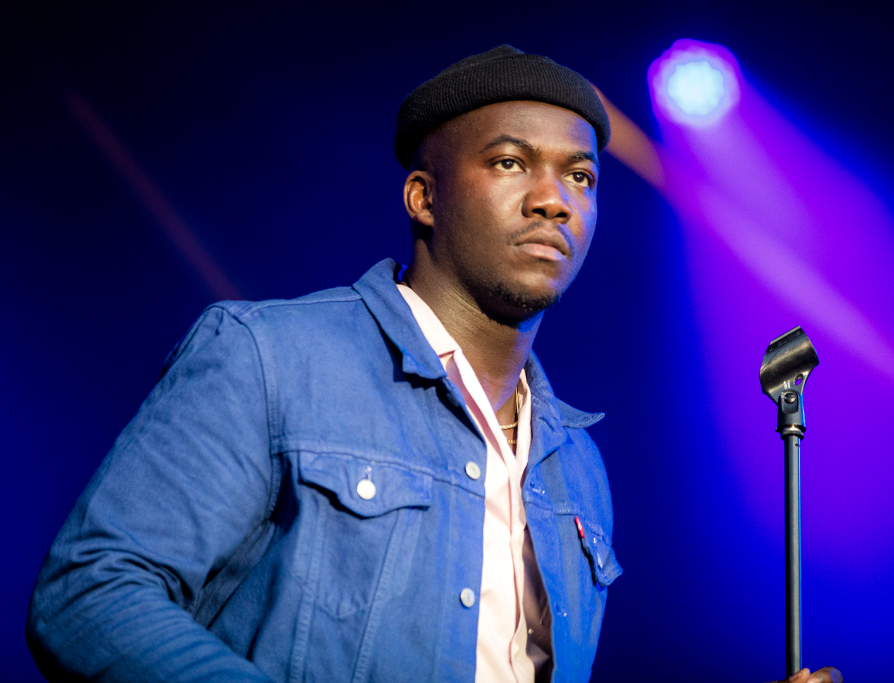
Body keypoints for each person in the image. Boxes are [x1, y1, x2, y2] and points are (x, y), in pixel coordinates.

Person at [27, 45, 840, 683]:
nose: (554, 198)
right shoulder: (270, 355)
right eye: (511, 162)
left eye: (581, 175)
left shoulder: (576, 464)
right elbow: (89, 595)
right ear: (424, 197)